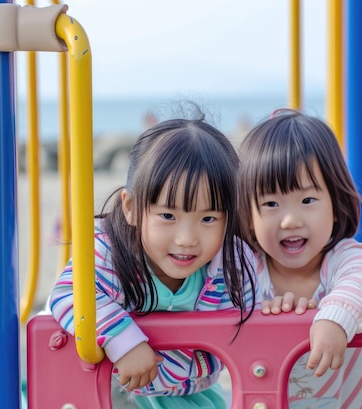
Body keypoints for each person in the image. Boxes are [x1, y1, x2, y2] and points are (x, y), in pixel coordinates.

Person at [49, 106, 256, 409]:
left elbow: (255, 316)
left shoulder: (231, 264)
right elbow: (67, 294)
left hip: (192, 393)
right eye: (168, 215)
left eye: (209, 219)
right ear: (131, 208)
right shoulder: (109, 251)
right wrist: (123, 341)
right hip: (117, 391)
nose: (187, 238)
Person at [237, 109, 362, 408]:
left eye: (308, 200)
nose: (290, 220)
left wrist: (334, 319)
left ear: (336, 205)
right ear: (248, 216)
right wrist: (261, 311)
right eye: (271, 203)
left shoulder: (345, 259)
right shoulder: (247, 268)